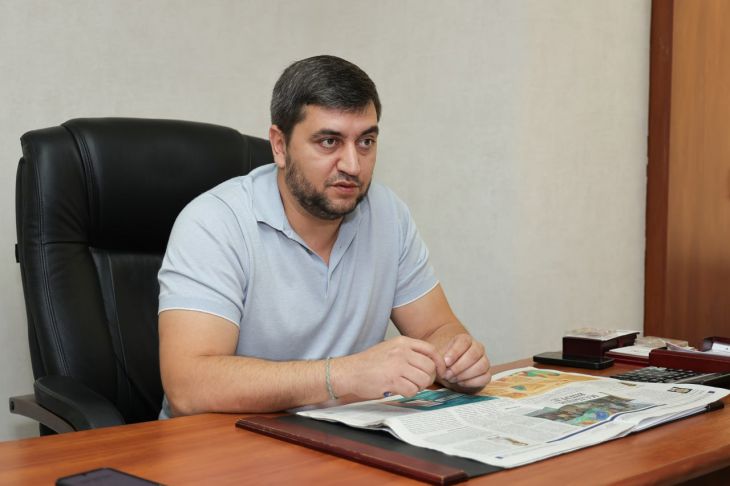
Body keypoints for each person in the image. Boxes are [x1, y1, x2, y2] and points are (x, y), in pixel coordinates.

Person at [157, 55, 491, 418]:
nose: (353, 165)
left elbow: (437, 328)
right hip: (224, 442)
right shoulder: (215, 222)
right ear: (280, 146)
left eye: (366, 142)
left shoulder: (388, 214)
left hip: (343, 435)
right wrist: (343, 376)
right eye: (330, 142)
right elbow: (188, 387)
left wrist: (456, 357)